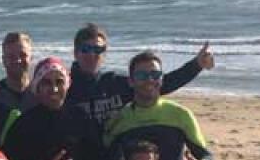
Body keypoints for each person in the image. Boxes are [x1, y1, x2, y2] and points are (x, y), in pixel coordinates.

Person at [66, 23, 213, 128]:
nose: (92, 54)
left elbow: (159, 85)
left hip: (116, 153)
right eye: (86, 49)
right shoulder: (63, 86)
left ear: (104, 54)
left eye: (98, 49)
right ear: (75, 53)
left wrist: (196, 65)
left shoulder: (114, 83)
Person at [0, 32, 34, 111]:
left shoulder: (41, 93)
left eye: (23, 55)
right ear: (4, 60)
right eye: (11, 56)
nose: (18, 60)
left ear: (31, 58)